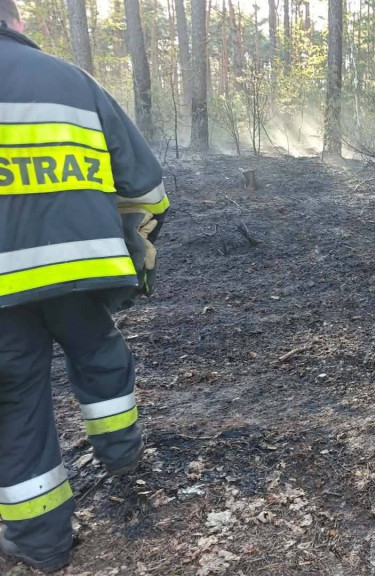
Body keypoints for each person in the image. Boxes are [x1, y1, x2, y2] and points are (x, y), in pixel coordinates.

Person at [0, 0, 168, 571]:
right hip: (78, 270)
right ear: (17, 21)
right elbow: (146, 189)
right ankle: (123, 458)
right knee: (100, 355)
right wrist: (135, 248)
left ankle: (41, 542)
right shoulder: (72, 81)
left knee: (14, 403)